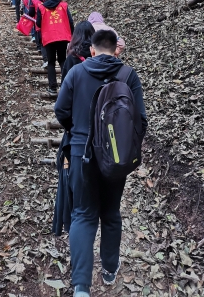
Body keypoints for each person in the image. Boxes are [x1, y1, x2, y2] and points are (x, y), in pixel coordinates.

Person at [54, 30, 147, 297]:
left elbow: (60, 110)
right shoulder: (129, 76)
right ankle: (109, 270)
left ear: (92, 50)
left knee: (82, 215)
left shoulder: (76, 73)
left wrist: (77, 131)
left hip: (81, 154)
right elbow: (141, 120)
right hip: (116, 156)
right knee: (110, 212)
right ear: (115, 49)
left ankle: (81, 286)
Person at [36, 0, 74, 95]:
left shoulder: (41, 7)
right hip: (63, 36)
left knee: (51, 62)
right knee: (62, 60)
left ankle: (52, 88)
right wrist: (72, 34)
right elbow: (70, 21)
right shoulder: (63, 5)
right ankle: (66, 87)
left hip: (49, 37)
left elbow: (38, 23)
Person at [29, 0, 47, 67]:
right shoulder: (49, 1)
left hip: (38, 23)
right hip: (50, 24)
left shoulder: (35, 1)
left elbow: (31, 13)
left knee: (41, 41)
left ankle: (45, 58)